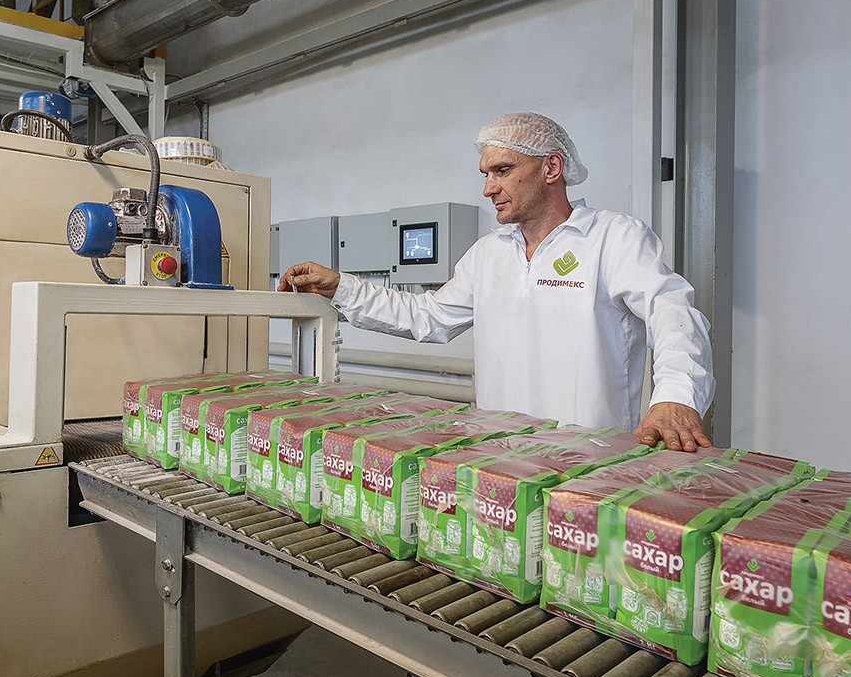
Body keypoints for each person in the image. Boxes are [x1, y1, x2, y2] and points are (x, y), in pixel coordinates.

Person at [277, 112, 715, 451]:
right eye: (485, 174)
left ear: (551, 167)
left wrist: (675, 396)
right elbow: (427, 316)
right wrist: (341, 286)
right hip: (499, 458)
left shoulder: (612, 238)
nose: (488, 188)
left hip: (589, 461)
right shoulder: (489, 253)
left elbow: (671, 310)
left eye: (502, 170)